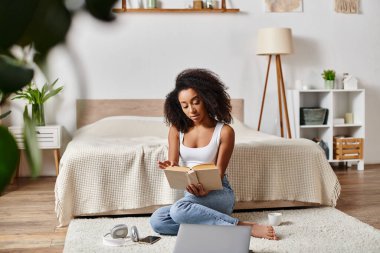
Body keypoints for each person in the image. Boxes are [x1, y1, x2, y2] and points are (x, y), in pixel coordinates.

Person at [150, 68, 277, 240]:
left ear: (207, 99)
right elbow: (174, 164)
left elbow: (218, 172)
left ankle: (243, 227)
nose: (191, 110)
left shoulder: (224, 132)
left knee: (178, 210)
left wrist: (205, 190)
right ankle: (217, 226)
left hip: (218, 192)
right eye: (185, 105)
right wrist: (171, 168)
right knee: (158, 220)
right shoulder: (176, 129)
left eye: (196, 102)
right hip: (192, 196)